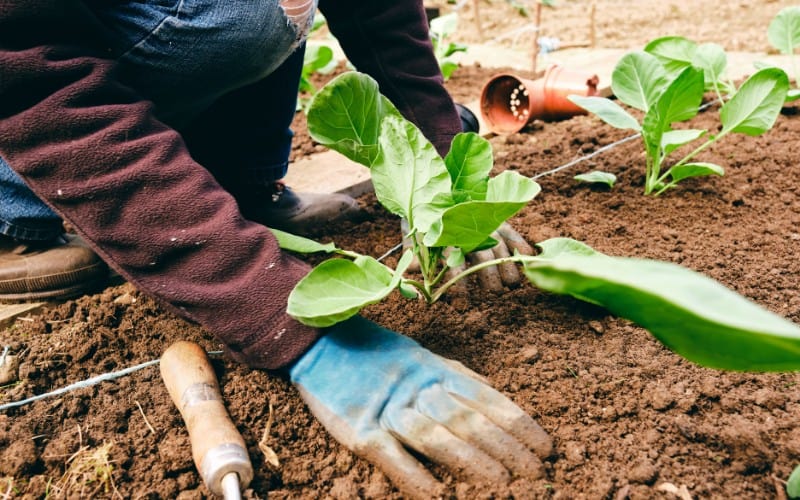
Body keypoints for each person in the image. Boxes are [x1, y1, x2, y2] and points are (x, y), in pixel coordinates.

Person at [0, 0, 553, 495]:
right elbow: (27, 66)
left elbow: (379, 13)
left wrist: (446, 185)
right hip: (32, 90)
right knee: (240, 14)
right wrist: (288, 323)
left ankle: (239, 184)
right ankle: (16, 217)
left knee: (272, 9)